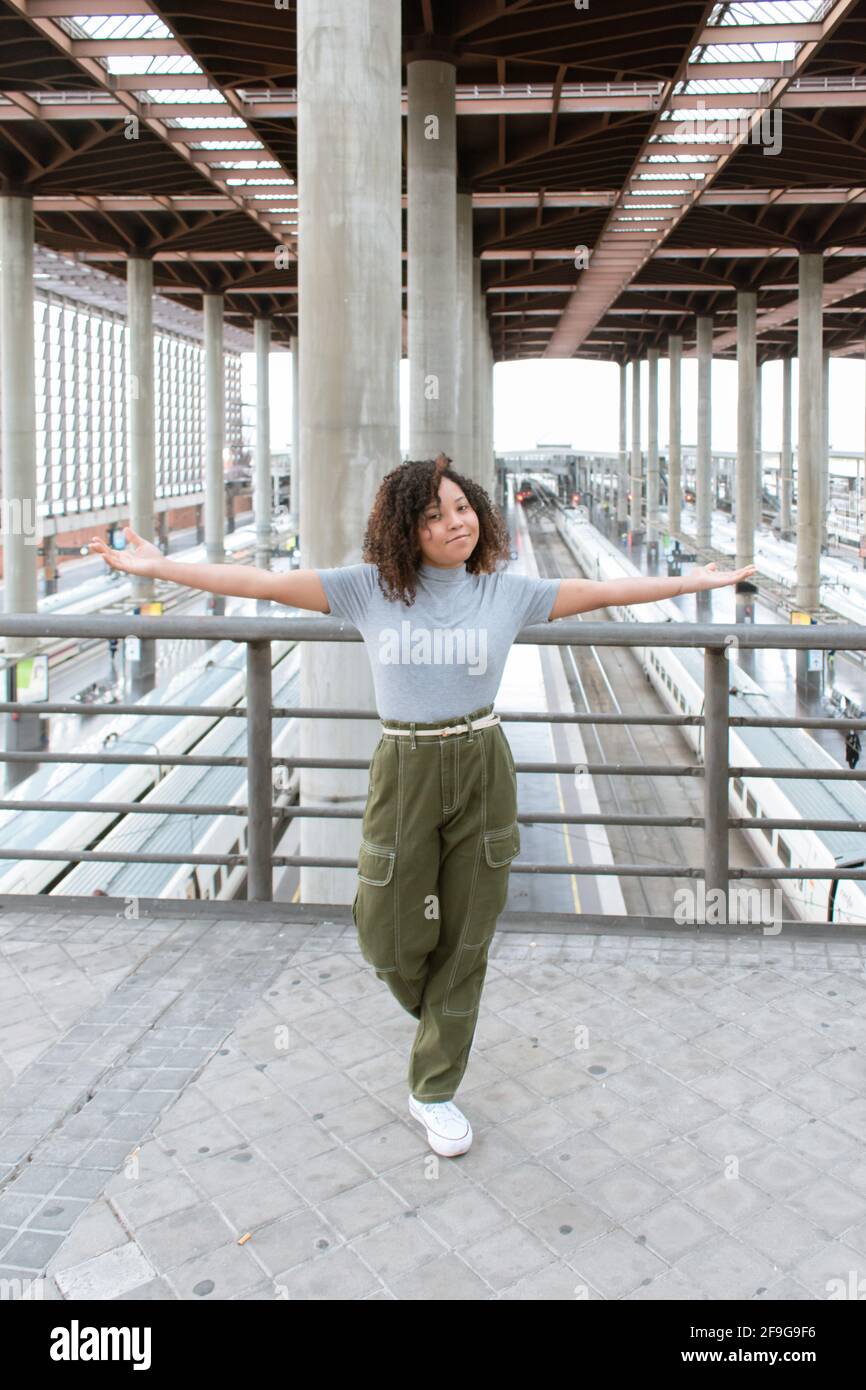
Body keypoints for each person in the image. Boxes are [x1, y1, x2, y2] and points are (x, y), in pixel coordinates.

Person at [88, 454, 756, 1158]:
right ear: (406, 530)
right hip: (404, 766)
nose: (453, 524)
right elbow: (259, 581)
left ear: (479, 511)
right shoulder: (367, 591)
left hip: (482, 762)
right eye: (433, 516)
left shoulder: (507, 594)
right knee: (386, 928)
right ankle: (441, 1009)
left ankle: (434, 1086)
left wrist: (691, 580)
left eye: (460, 507)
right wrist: (160, 570)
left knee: (469, 932)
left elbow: (600, 590)